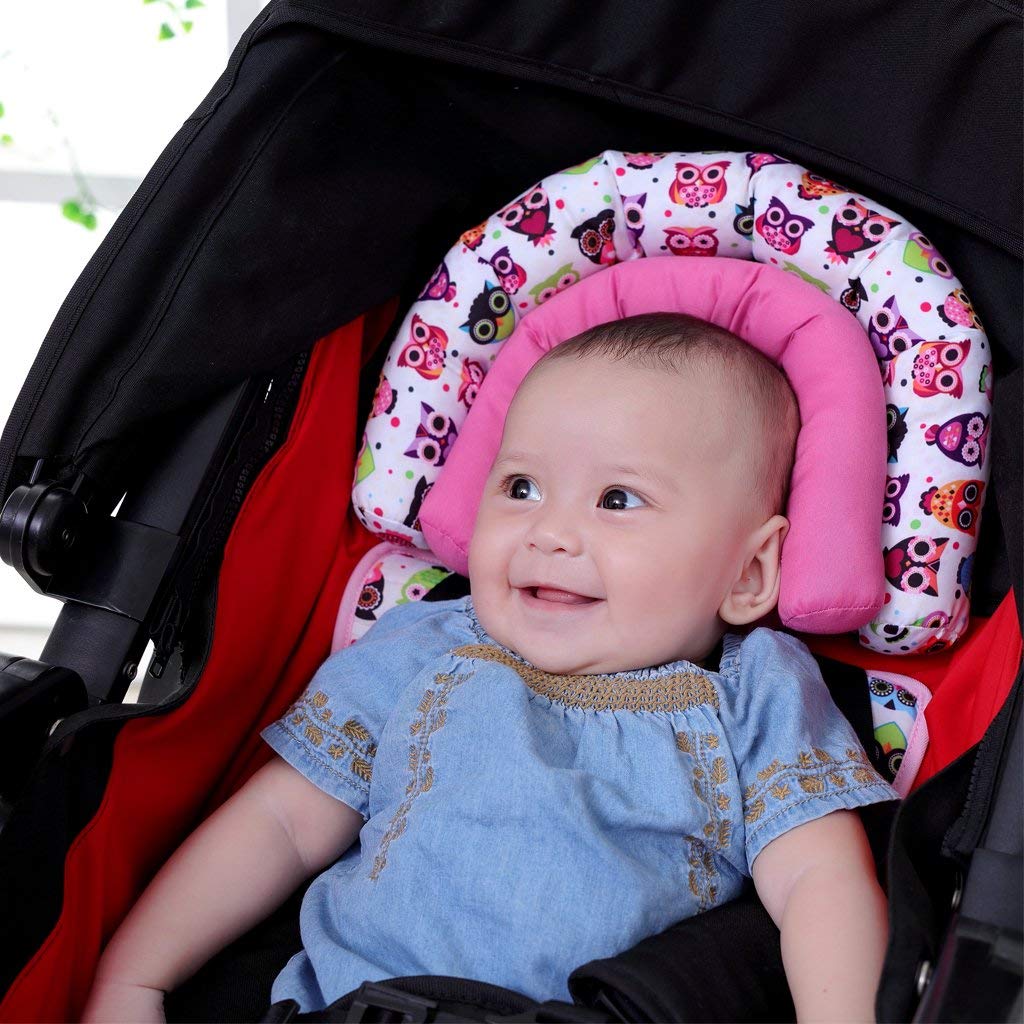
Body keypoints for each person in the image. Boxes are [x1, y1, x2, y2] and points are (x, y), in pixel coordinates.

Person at [83, 312, 898, 1024]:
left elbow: (819, 882)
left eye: (617, 499)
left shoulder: (755, 692)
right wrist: (136, 975)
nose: (548, 531)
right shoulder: (423, 649)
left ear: (749, 573)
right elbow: (281, 825)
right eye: (521, 486)